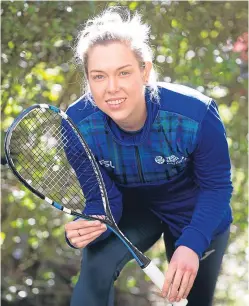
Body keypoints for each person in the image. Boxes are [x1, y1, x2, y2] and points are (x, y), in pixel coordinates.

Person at [64, 7, 233, 306]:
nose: (112, 87)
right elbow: (102, 201)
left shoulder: (195, 114)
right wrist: (92, 223)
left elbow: (216, 187)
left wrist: (192, 244)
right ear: (88, 80)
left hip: (195, 209)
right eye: (99, 76)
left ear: (145, 70)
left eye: (124, 72)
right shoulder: (77, 126)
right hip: (132, 211)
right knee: (96, 265)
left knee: (191, 299)